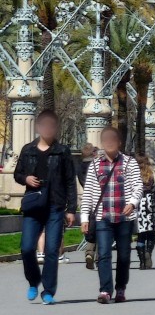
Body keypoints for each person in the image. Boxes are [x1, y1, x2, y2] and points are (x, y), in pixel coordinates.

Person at [14, 109, 77, 304]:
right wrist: (26, 178)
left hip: (55, 207)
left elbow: (70, 181)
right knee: (26, 248)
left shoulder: (62, 151)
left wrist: (71, 209)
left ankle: (48, 290)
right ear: (39, 127)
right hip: (33, 206)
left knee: (51, 250)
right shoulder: (28, 150)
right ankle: (34, 281)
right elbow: (17, 174)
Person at [80, 126, 143, 303]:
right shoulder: (94, 165)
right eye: (106, 139)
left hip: (124, 217)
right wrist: (84, 217)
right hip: (103, 217)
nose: (109, 143)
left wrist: (132, 202)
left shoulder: (129, 162)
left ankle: (120, 288)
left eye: (112, 139)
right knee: (104, 254)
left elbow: (138, 186)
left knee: (123, 255)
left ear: (119, 142)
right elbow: (88, 193)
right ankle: (105, 290)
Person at [134, 155, 155, 270]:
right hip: (150, 205)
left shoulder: (133, 175)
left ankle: (141, 262)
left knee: (140, 235)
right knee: (151, 233)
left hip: (138, 205)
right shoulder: (153, 174)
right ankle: (148, 253)